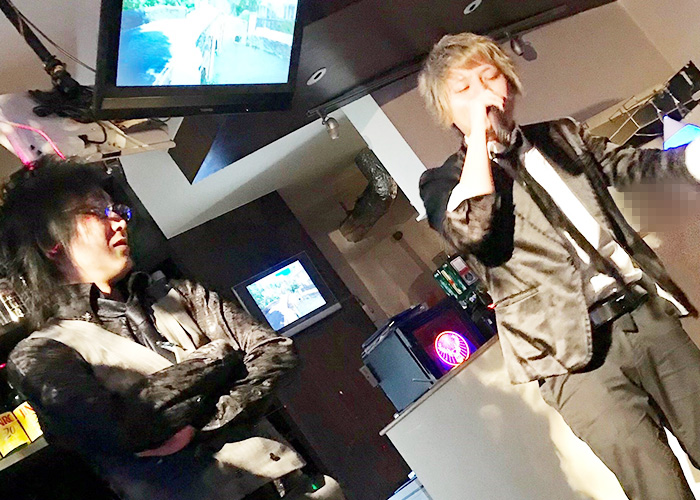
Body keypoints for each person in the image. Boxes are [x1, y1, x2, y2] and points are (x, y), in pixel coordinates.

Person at [418, 33, 700, 500]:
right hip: (567, 358)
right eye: (463, 90)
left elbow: (630, 168)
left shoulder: (562, 135)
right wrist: (479, 141)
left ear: (510, 84)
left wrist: (691, 159)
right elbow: (473, 228)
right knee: (657, 486)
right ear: (446, 111)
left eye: (490, 78)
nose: (483, 94)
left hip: (641, 314)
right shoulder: (441, 182)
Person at [0, 157, 345, 500]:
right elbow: (122, 428)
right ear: (50, 241)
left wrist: (201, 424)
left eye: (117, 210)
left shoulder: (179, 293)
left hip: (293, 485)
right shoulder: (39, 354)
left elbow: (276, 351)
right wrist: (220, 356)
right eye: (96, 211)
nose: (118, 220)